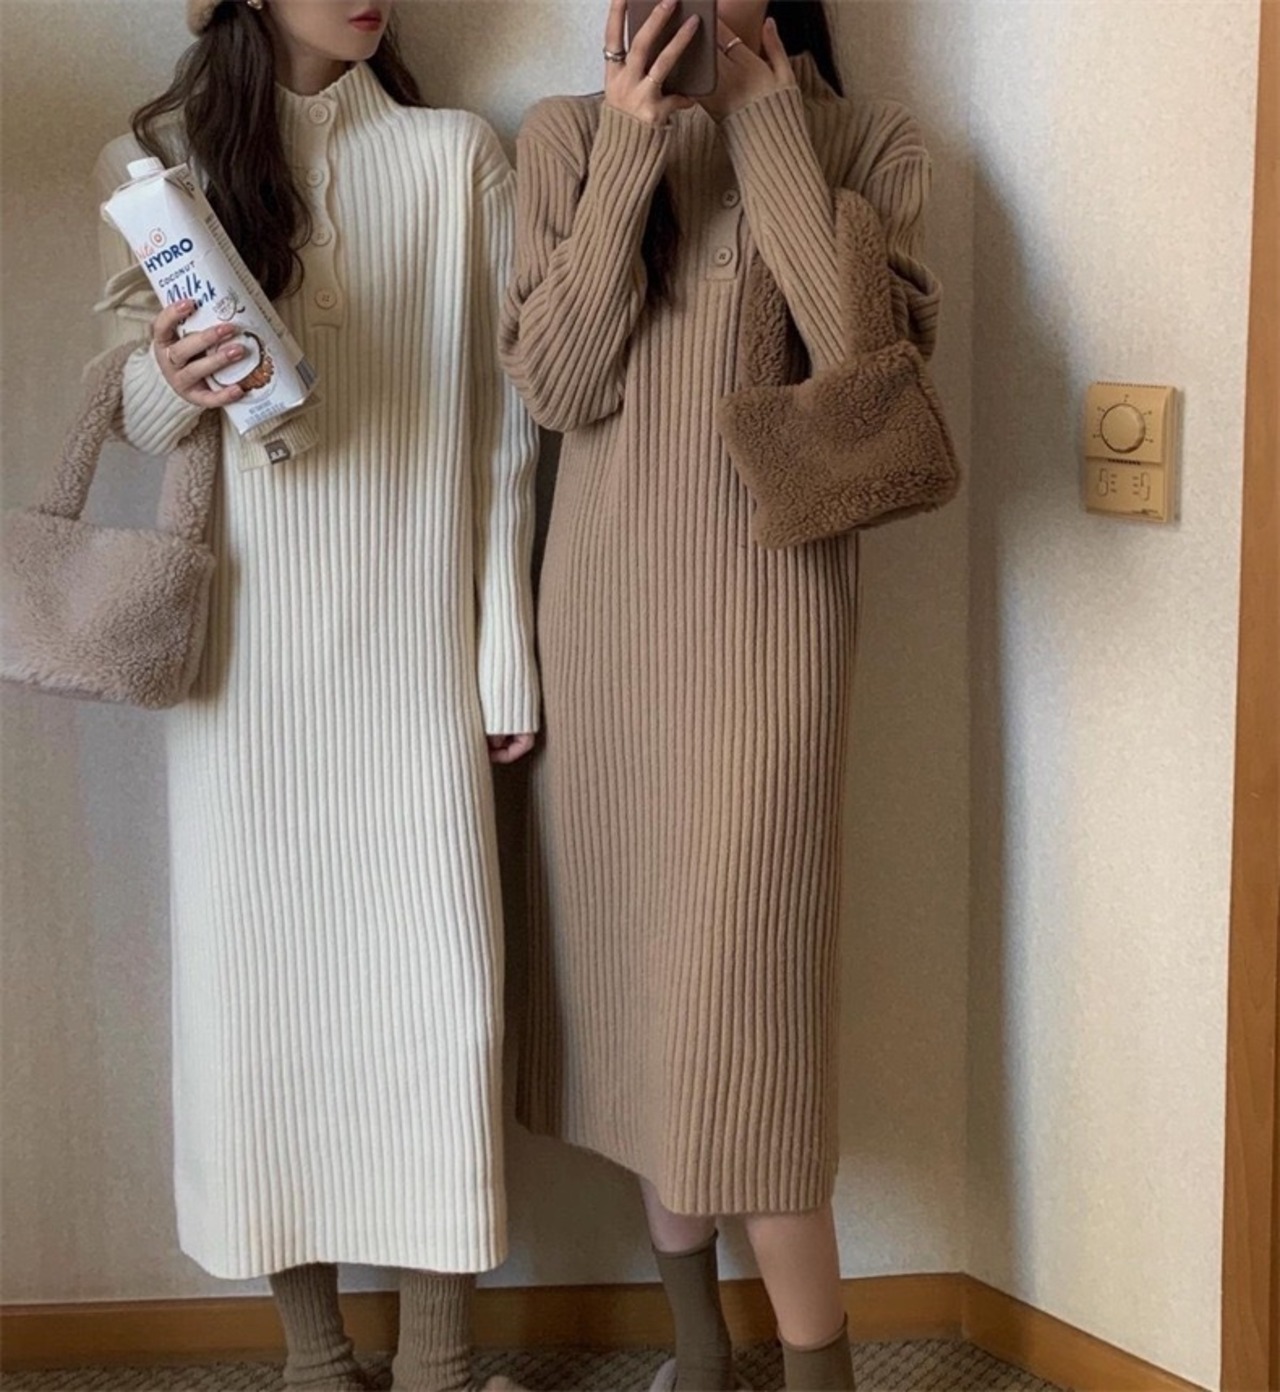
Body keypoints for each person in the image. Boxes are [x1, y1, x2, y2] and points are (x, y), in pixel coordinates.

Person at [94, 2, 539, 1387]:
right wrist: (168, 375)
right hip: (244, 669)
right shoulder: (160, 158)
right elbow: (134, 413)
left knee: (438, 1000)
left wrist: (504, 645)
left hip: (413, 645)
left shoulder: (457, 155)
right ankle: (315, 1358)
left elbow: (509, 429)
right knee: (260, 1002)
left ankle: (441, 1361)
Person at [500, 1, 940, 1387]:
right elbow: (555, 384)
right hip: (603, 633)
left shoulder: (870, 142)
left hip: (771, 630)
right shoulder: (565, 137)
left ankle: (820, 1373)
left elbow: (865, 374)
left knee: (748, 1021)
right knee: (646, 1009)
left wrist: (766, 126)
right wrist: (632, 149)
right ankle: (699, 1355)